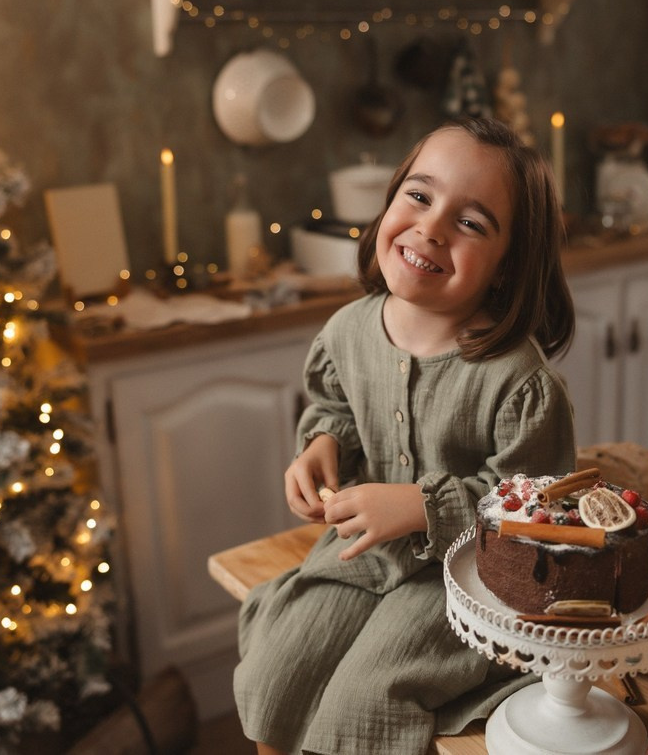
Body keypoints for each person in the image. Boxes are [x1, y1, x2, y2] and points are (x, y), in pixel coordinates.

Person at [234, 117, 577, 754]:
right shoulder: (347, 331)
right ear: (389, 202)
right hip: (360, 554)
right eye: (419, 196)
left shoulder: (518, 382)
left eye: (472, 223)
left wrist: (424, 507)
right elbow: (334, 404)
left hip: (463, 579)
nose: (431, 227)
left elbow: (537, 510)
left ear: (506, 266)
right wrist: (322, 447)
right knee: (273, 674)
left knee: (363, 701)